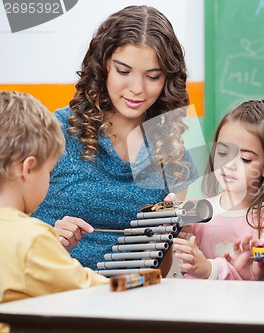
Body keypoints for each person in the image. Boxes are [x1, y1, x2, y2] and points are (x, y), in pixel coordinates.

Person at [32, 5, 198, 274]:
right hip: (53, 293)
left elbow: (161, 269)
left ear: (168, 78)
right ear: (103, 66)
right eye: (123, 71)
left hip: (130, 300)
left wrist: (171, 237)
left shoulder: (173, 152)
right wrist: (49, 238)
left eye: (152, 76)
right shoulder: (54, 131)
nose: (137, 89)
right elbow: (8, 225)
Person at [0, 91, 108, 332]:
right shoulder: (31, 237)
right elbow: (92, 290)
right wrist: (144, 281)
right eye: (49, 172)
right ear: (28, 168)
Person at [172, 100, 264, 280]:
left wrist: (210, 269)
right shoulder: (200, 209)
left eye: (245, 159)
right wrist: (169, 219)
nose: (229, 165)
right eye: (223, 153)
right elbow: (182, 268)